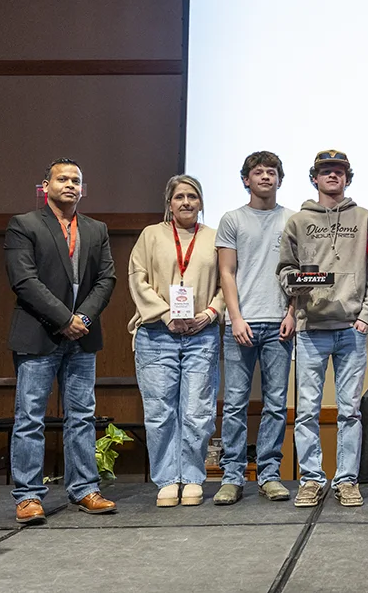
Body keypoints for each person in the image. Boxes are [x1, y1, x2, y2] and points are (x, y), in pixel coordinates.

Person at [4, 158, 117, 524]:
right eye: (62, 179)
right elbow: (24, 281)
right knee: (30, 417)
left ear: (83, 189)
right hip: (39, 334)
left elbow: (106, 280)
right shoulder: (24, 225)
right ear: (46, 185)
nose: (70, 184)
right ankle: (28, 496)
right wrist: (63, 319)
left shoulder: (96, 229)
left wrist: (81, 318)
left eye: (76, 180)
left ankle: (84, 488)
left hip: (82, 337)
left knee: (82, 416)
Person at [278, 150, 368, 508]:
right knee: (306, 411)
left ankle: (347, 480)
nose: (332, 177)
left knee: (349, 410)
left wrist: (366, 314)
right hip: (310, 328)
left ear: (347, 178)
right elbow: (284, 270)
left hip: (351, 328)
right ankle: (311, 479)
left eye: (339, 172)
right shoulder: (298, 221)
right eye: (326, 172)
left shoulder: (364, 217)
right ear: (315, 178)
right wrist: (296, 283)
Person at [128, 174, 225, 507]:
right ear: (168, 203)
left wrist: (211, 313)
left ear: (200, 202)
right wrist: (166, 314)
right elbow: (137, 278)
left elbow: (227, 282)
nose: (186, 202)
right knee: (160, 411)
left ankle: (193, 477)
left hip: (202, 333)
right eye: (180, 197)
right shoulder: (150, 235)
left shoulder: (214, 237)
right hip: (157, 333)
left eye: (193, 197)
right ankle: (168, 479)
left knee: (198, 412)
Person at [214, 152, 296, 505]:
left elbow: (300, 273)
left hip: (280, 323)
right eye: (258, 172)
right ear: (246, 179)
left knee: (276, 405)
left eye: (272, 172)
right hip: (242, 324)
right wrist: (235, 318)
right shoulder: (232, 219)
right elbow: (226, 272)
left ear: (280, 179)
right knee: (234, 403)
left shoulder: (293, 220)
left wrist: (292, 312)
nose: (265, 177)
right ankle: (232, 476)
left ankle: (269, 474)